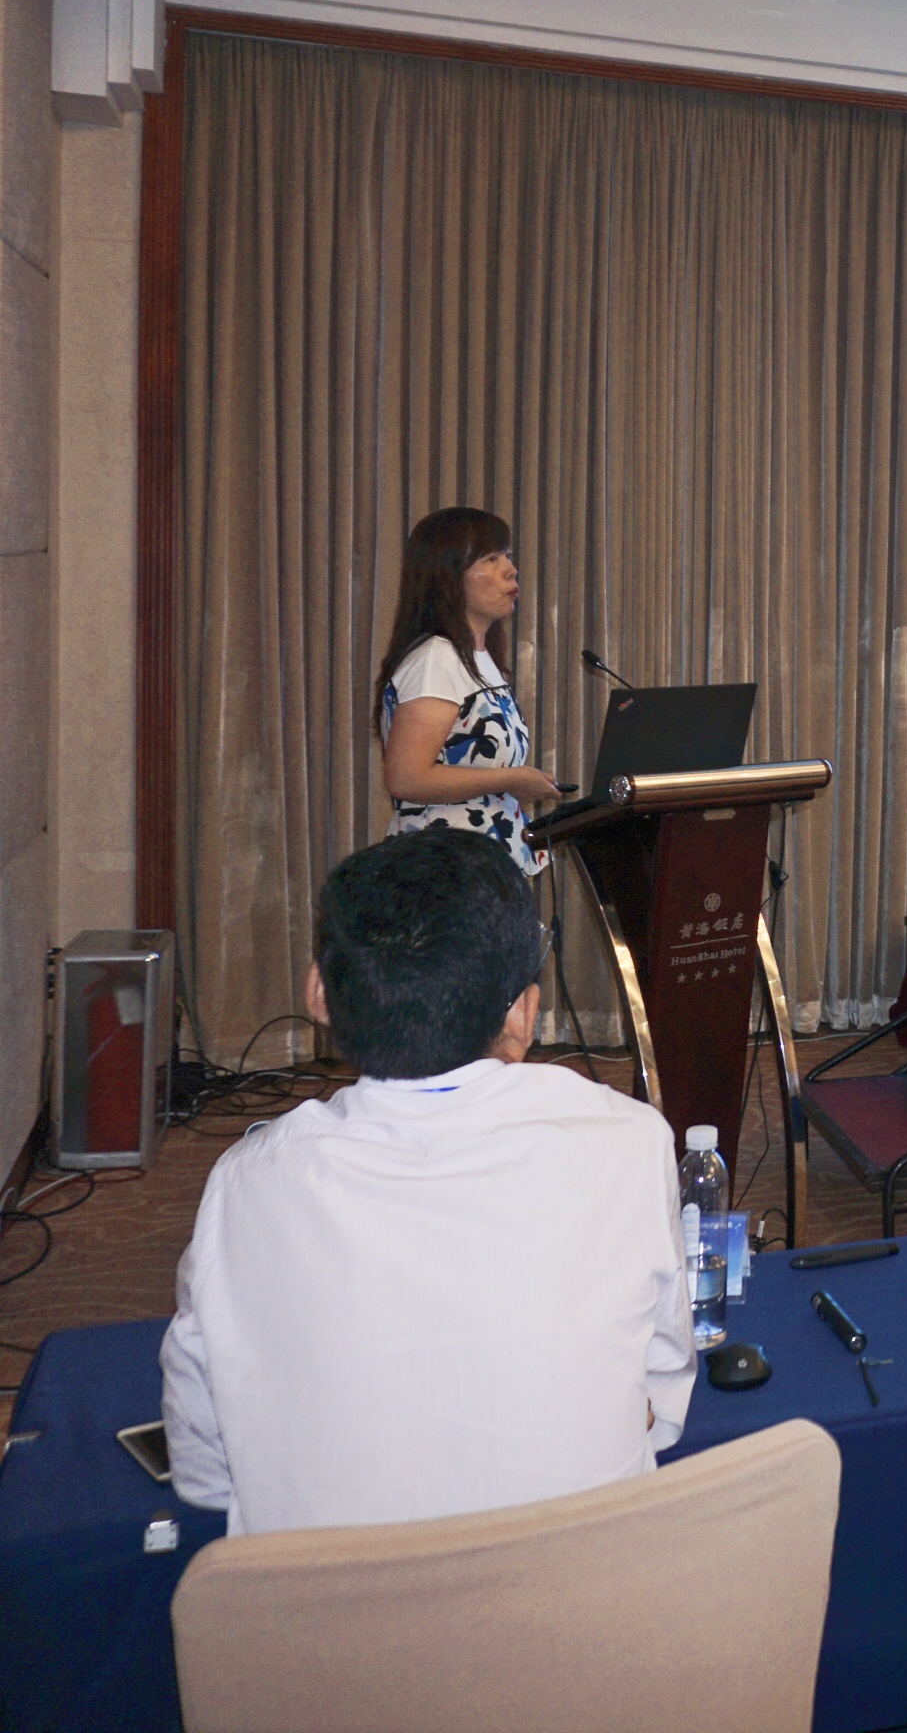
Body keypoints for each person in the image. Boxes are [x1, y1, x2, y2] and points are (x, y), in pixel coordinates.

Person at [160, 826, 694, 1535]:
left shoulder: (246, 1184)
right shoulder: (627, 1140)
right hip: (590, 1594)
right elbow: (663, 1407)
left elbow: (202, 1474)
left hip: (326, 1604)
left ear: (319, 993)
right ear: (523, 1013)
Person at [376, 504, 560, 874]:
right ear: (448, 576)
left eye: (506, 555)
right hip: (444, 870)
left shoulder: (478, 659)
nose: (510, 569)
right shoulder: (436, 659)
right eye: (491, 559)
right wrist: (512, 779)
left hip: (486, 868)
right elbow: (407, 778)